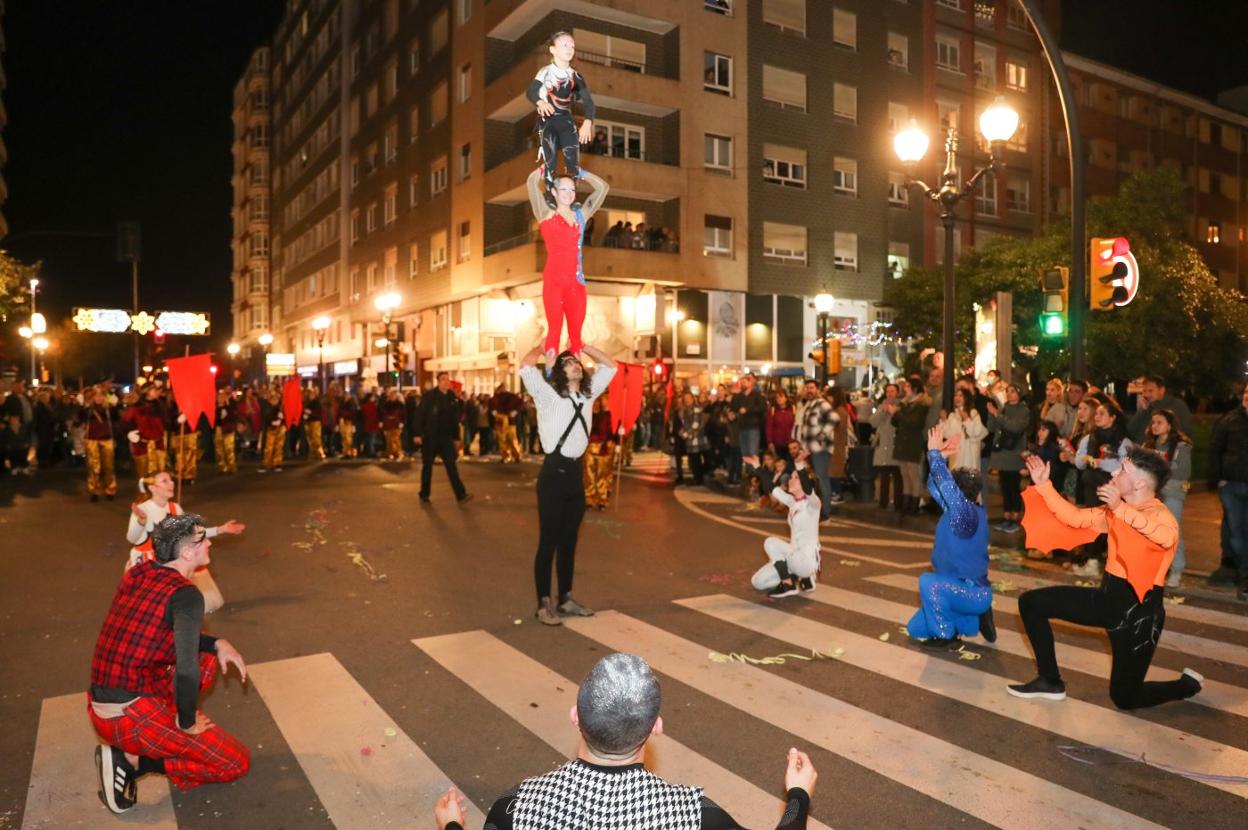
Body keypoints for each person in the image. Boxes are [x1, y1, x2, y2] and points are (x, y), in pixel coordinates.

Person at [434, 653, 817, 830]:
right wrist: (798, 794)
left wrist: (453, 828)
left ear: (574, 718)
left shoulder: (516, 807)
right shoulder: (692, 815)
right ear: (656, 728)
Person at [1008, 450, 1204, 708]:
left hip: (1139, 617)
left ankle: (1186, 686)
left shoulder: (1161, 517)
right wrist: (1044, 486)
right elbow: (1075, 519)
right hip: (1106, 600)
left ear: (1140, 484)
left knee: (1125, 698)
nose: (1113, 473)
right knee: (1032, 603)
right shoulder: (1113, 512)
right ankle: (1050, 681)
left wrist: (1120, 509)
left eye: (1122, 470)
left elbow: (1164, 538)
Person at [89, 513, 250, 814]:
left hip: (108, 698)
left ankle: (168, 722)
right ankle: (134, 762)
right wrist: (187, 723)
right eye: (204, 539)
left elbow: (175, 639)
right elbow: (186, 667)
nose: (209, 544)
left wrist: (218, 643)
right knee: (235, 762)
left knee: (208, 653)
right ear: (187, 552)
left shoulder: (139, 573)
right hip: (129, 715)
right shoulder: (187, 595)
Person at [520, 342, 616, 625]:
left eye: (577, 361)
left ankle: (566, 599)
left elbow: (611, 366)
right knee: (548, 541)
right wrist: (540, 347)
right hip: (553, 474)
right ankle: (543, 604)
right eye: (569, 362)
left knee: (569, 541)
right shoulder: (548, 396)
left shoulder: (587, 395)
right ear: (559, 372)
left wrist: (584, 346)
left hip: (575, 474)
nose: (576, 364)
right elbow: (526, 366)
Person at [906, 427, 995, 646]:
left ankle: (946, 635)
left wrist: (935, 455)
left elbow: (945, 487)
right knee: (915, 629)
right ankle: (971, 620)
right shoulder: (957, 511)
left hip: (970, 591)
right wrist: (941, 457)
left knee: (929, 583)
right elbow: (936, 488)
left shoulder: (966, 515)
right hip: (956, 589)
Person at [526, 167, 609, 367]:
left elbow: (603, 188)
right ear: (553, 192)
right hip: (554, 282)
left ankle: (574, 389)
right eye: (563, 189)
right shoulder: (545, 213)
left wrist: (581, 173)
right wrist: (544, 168)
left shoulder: (581, 216)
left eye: (572, 189)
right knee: (554, 331)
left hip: (576, 284)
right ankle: (551, 381)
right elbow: (530, 183)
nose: (569, 194)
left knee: (576, 338)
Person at [126, 470, 245, 610]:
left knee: (168, 605)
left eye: (171, 480)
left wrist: (220, 530)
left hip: (169, 563)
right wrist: (141, 522)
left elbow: (190, 535)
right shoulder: (142, 509)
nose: (172, 483)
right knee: (148, 609)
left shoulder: (175, 508)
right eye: (165, 481)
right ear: (152, 488)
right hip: (148, 566)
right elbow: (131, 539)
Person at [527, 30, 596, 208]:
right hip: (548, 122)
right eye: (565, 45)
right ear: (552, 49)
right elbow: (531, 92)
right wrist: (540, 101)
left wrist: (588, 122)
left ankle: (572, 197)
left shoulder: (575, 76)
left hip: (566, 122)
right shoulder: (545, 72)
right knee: (550, 161)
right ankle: (551, 195)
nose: (570, 48)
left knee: (572, 159)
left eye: (572, 45)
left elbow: (588, 101)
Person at [1070, 395, 1130, 578]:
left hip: (1110, 487)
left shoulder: (1122, 440)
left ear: (1112, 418)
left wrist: (1100, 462)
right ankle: (1092, 561)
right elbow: (1079, 463)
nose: (1097, 417)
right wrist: (1082, 459)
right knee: (1093, 524)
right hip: (1090, 487)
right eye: (1096, 414)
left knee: (1107, 525)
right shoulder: (1090, 438)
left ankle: (1101, 562)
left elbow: (1123, 465)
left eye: (1102, 414)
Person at [752, 458, 822, 598]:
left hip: (806, 562)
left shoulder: (813, 505)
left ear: (804, 483)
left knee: (770, 542)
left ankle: (788, 584)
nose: (790, 480)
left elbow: (809, 490)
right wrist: (758, 467)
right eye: (791, 477)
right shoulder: (792, 502)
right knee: (758, 582)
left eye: (796, 478)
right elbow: (771, 488)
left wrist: (800, 467)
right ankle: (801, 578)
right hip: (793, 559)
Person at [1140, 409, 1192, 588]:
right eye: (1153, 422)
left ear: (1170, 425)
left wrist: (1157, 463)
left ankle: (1176, 569)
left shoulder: (1181, 446)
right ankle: (1155, 568)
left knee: (1171, 530)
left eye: (1159, 422)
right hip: (1151, 494)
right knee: (1148, 530)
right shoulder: (1148, 444)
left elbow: (1183, 471)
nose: (1155, 426)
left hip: (1172, 493)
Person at [1210, 386, 1248, 598]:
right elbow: (1215, 448)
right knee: (1236, 534)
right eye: (1246, 392)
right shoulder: (1229, 420)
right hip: (1232, 486)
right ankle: (1244, 575)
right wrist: (1219, 478)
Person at [415, 372, 472, 503]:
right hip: (430, 437)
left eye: (448, 379)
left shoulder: (452, 397)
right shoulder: (429, 396)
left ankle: (461, 494)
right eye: (443, 379)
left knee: (451, 466)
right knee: (427, 466)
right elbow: (419, 415)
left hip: (446, 437)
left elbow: (455, 419)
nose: (446, 382)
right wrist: (418, 434)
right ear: (438, 382)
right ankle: (424, 493)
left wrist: (456, 437)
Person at [986, 384, 1030, 533]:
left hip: (1014, 453)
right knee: (1004, 486)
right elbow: (992, 428)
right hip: (1002, 452)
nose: (1009, 394)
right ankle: (1006, 516)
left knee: (1013, 486)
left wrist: (997, 415)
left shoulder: (1023, 410)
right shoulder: (1004, 408)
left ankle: (1015, 517)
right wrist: (992, 414)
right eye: (1008, 392)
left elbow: (1015, 426)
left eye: (1013, 391)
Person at [893, 376, 931, 516]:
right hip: (902, 442)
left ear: (915, 389)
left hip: (913, 442)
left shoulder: (921, 405)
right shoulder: (905, 403)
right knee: (904, 474)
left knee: (913, 474)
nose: (905, 389)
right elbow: (896, 421)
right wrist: (897, 413)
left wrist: (898, 413)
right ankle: (906, 502)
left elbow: (914, 423)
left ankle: (914, 504)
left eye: (908, 387)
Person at [1127, 375, 1193, 444]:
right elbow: (1130, 431)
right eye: (1144, 391)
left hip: (1159, 450)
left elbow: (1185, 433)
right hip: (1139, 448)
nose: (1146, 395)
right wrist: (1142, 410)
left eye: (1150, 391)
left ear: (1162, 390)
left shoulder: (1178, 405)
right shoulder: (1147, 406)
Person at [869, 383, 902, 511]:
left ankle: (898, 503)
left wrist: (893, 412)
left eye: (893, 391)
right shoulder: (882, 406)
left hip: (896, 445)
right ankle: (883, 502)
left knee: (898, 476)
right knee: (884, 476)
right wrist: (883, 411)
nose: (890, 394)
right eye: (888, 391)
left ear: (897, 392)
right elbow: (872, 422)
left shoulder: (901, 406)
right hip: (883, 446)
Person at [82, 386, 118, 501]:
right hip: (92, 439)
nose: (98, 398)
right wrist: (83, 406)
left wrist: (115, 404)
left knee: (108, 466)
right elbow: (80, 417)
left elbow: (116, 418)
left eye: (101, 395)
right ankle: (94, 490)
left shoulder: (109, 409)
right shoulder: (88, 409)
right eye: (96, 395)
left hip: (107, 439)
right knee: (93, 467)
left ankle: (110, 489)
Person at [942, 386, 988, 472]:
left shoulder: (973, 413)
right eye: (956, 395)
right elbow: (947, 434)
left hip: (970, 454)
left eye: (960, 396)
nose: (957, 398)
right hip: (956, 455)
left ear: (966, 398)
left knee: (968, 480)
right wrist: (943, 420)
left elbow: (977, 433)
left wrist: (966, 419)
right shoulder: (953, 415)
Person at [583, 396, 615, 510]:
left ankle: (602, 499)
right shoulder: (585, 415)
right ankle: (589, 498)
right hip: (588, 448)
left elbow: (611, 430)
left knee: (602, 474)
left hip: (603, 447)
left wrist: (614, 440)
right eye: (593, 401)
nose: (595, 404)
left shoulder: (607, 416)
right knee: (588, 475)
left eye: (598, 401)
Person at [259, 389, 286, 473]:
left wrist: (281, 419)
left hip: (280, 429)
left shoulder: (280, 408)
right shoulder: (267, 408)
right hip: (270, 429)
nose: (275, 401)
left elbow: (284, 418)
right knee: (269, 447)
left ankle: (277, 463)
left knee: (279, 446)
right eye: (273, 399)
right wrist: (272, 422)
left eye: (276, 399)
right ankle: (266, 463)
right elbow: (266, 418)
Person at [766, 388, 795, 464]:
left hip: (790, 443)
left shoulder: (793, 409)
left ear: (786, 398)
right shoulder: (772, 410)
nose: (779, 399)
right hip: (777, 443)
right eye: (777, 397)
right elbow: (769, 427)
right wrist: (770, 442)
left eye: (781, 397)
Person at [213, 389, 239, 474]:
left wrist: (228, 408)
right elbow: (214, 420)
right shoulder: (215, 408)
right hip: (219, 430)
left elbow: (233, 417)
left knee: (229, 448)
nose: (220, 399)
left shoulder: (228, 408)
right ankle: (222, 467)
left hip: (228, 430)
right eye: (219, 397)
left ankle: (231, 466)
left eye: (222, 397)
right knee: (219, 450)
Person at [381, 388, 406, 460]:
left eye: (394, 395)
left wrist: (402, 422)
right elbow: (383, 413)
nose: (392, 396)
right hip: (388, 423)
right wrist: (382, 421)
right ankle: (390, 452)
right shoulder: (386, 404)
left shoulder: (400, 404)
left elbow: (403, 414)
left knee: (396, 439)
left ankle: (398, 452)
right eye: (391, 395)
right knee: (388, 439)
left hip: (396, 423)